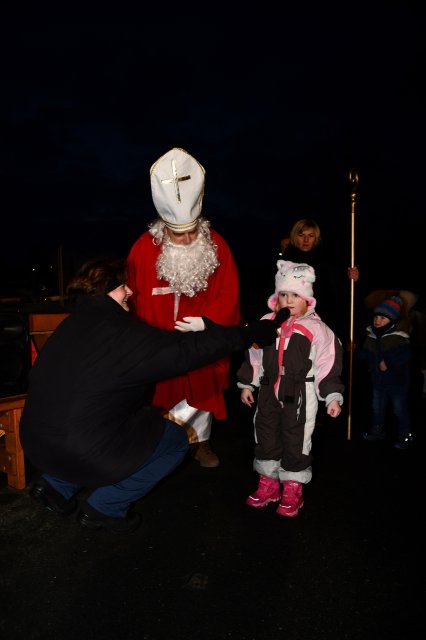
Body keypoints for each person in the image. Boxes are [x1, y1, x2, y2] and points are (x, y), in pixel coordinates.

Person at [19, 257, 285, 534]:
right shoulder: (123, 333)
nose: (130, 292)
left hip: (37, 445)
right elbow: (187, 350)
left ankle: (55, 486)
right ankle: (105, 508)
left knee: (95, 420)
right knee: (173, 441)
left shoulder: (69, 326)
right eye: (123, 286)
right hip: (82, 449)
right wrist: (248, 332)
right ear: (106, 290)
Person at [127, 147, 240, 468]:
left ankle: (200, 443)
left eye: (192, 231)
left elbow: (229, 293)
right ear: (163, 228)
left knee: (202, 390)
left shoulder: (217, 245)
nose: (187, 238)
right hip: (159, 341)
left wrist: (207, 322)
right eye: (178, 234)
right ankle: (154, 445)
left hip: (202, 339)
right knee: (158, 392)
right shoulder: (141, 249)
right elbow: (133, 297)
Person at [237, 260, 344, 517]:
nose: (289, 300)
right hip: (267, 392)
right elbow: (253, 356)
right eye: (283, 294)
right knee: (265, 434)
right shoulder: (267, 323)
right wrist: (247, 383)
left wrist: (331, 395)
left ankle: (292, 489)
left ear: (308, 299)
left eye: (295, 294)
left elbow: (328, 363)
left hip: (300, 394)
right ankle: (268, 485)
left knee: (296, 440)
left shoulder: (317, 329)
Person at [281, 218, 359, 336]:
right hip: (291, 321)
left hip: (321, 321)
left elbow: (336, 293)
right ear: (295, 236)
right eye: (301, 235)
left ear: (316, 238)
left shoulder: (325, 262)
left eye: (311, 236)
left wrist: (351, 280)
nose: (306, 240)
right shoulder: (284, 262)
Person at [357, 295, 413, 449]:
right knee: (377, 407)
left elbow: (404, 355)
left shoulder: (398, 338)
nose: (378, 320)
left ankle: (405, 435)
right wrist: (356, 351)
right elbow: (366, 355)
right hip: (378, 381)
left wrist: (388, 362)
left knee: (399, 409)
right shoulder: (371, 337)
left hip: (397, 382)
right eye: (376, 316)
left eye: (383, 318)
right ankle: (377, 430)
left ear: (392, 320)